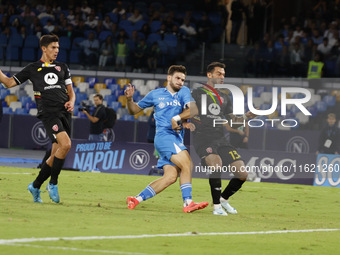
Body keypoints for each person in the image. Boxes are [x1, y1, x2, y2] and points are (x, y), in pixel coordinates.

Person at [0, 35, 75, 203]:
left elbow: (71, 92)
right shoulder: (33, 68)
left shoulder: (63, 67)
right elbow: (9, 83)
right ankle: (53, 183)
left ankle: (35, 186)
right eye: (53, 48)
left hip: (64, 113)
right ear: (44, 48)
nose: (57, 51)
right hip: (49, 113)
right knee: (66, 144)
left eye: (58, 48)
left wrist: (71, 101)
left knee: (55, 154)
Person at [124, 65, 209, 213]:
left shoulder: (184, 92)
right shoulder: (155, 94)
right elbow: (134, 110)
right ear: (169, 78)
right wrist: (130, 99)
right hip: (165, 137)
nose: (181, 82)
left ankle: (136, 199)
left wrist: (178, 119)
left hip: (176, 138)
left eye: (183, 79)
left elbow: (193, 109)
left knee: (170, 177)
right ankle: (188, 202)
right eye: (177, 78)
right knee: (187, 163)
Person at [191, 62, 251, 216]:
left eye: (223, 74)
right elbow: (186, 110)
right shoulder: (197, 93)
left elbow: (233, 122)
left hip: (221, 139)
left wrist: (247, 116)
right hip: (203, 138)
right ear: (209, 75)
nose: (222, 76)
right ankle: (216, 207)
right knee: (216, 166)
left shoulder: (224, 97)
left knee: (242, 174)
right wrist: (184, 122)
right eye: (219, 73)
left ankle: (224, 199)